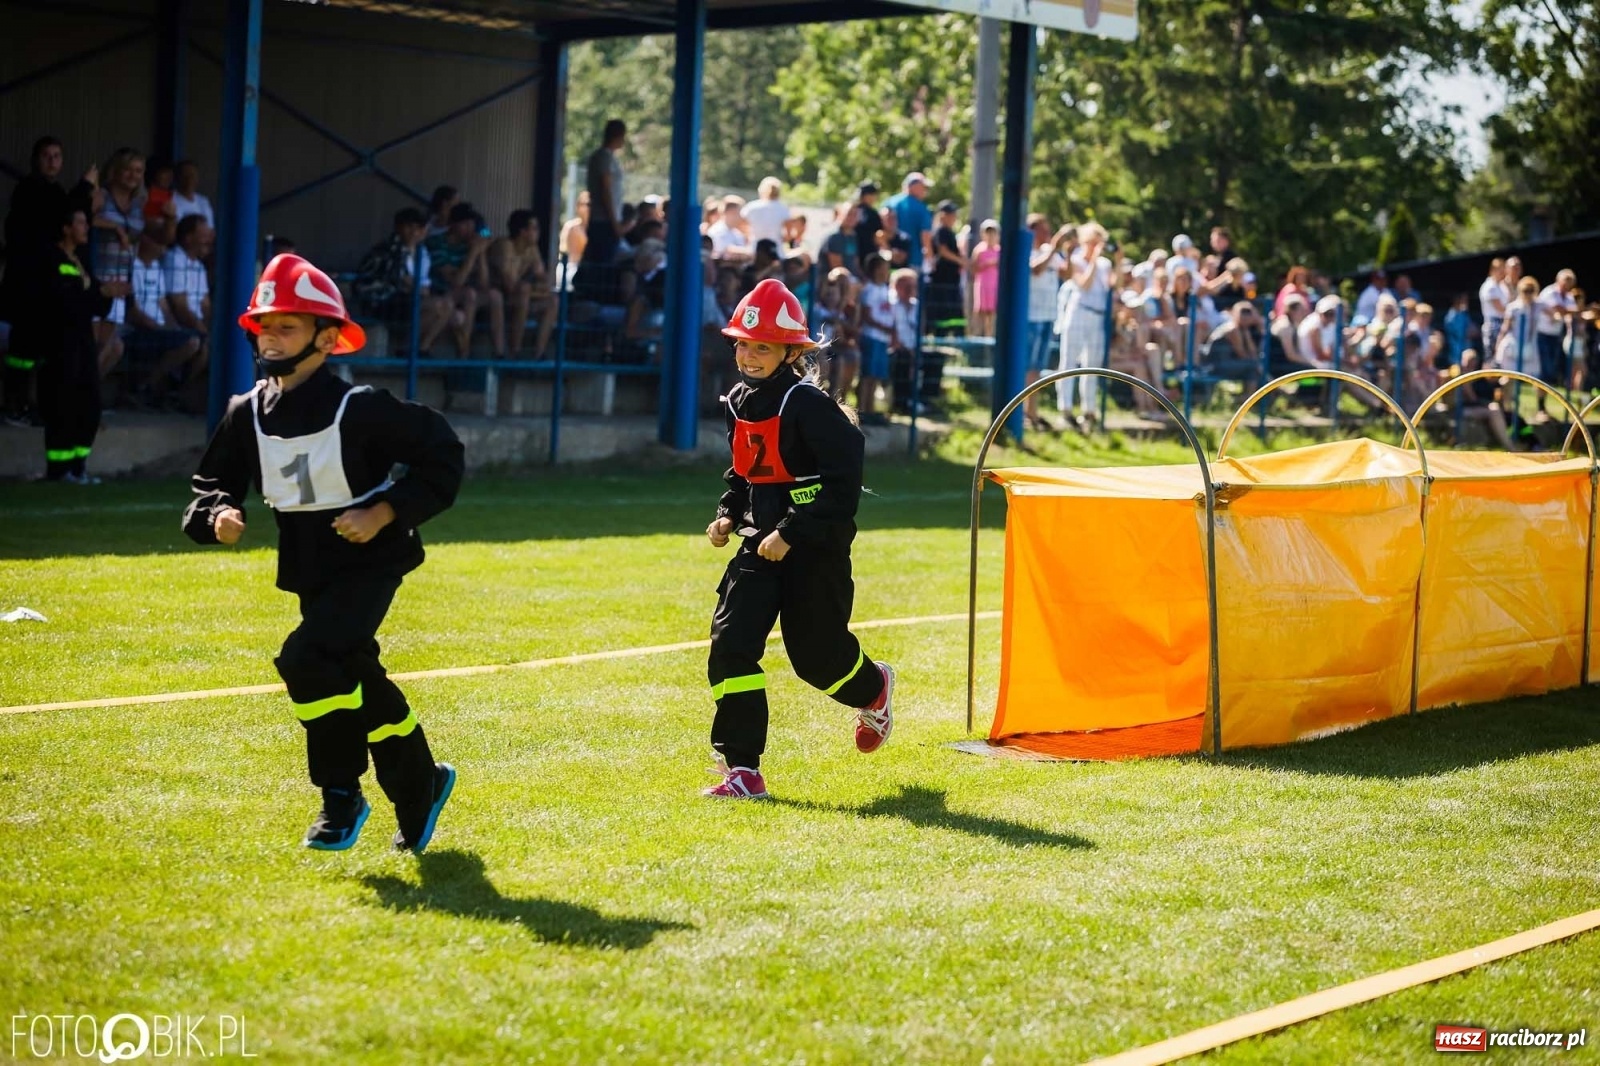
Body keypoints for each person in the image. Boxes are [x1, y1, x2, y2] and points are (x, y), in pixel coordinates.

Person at [182, 254, 463, 852]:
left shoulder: (359, 407)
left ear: (328, 338)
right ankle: (420, 782)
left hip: (372, 560)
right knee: (354, 672)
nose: (271, 337)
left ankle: (340, 797)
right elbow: (212, 484)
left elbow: (443, 453)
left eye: (288, 326)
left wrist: (384, 511)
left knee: (307, 658)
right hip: (310, 569)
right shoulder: (245, 411)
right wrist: (218, 516)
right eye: (265, 325)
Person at [701, 278, 895, 799]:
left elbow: (841, 482)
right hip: (757, 548)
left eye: (762, 346)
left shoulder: (807, 403)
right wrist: (728, 513)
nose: (749, 354)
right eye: (742, 343)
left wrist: (791, 533)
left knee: (816, 659)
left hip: (815, 551)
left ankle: (874, 688)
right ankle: (743, 770)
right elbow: (745, 471)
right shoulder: (739, 400)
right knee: (730, 647)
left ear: (791, 351)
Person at [2, 136, 98, 425]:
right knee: (22, 351)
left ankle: (32, 405)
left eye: (57, 156)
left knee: (39, 351)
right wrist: (84, 188)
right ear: (36, 160)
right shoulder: (28, 190)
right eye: (47, 156)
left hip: (43, 288)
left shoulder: (55, 190)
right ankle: (14, 406)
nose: (52, 161)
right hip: (26, 285)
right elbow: (56, 218)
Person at [36, 207, 128, 482]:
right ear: (65, 228)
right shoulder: (52, 259)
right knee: (62, 404)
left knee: (89, 404)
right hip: (60, 342)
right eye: (80, 223)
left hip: (83, 341)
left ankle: (79, 467)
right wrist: (99, 292)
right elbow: (66, 301)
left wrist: (107, 294)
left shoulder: (80, 261)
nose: (86, 228)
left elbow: (95, 304)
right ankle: (58, 470)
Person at [1056, 222, 1114, 428]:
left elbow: (1114, 286)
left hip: (1098, 316)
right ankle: (1065, 408)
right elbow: (1084, 284)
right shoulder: (1077, 260)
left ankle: (1089, 410)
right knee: (1069, 360)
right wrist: (1094, 261)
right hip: (1078, 312)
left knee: (1093, 364)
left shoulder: (1106, 265)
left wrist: (1120, 258)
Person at [488, 210, 558, 359]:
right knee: (524, 290)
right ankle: (515, 351)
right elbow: (510, 285)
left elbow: (544, 281)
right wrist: (534, 290)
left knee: (553, 301)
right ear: (523, 231)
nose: (538, 232)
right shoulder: (504, 246)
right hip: (495, 298)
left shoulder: (532, 249)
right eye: (534, 228)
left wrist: (537, 289)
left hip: (519, 299)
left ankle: (539, 354)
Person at [856, 254, 894, 423]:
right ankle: (862, 409)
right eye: (884, 267)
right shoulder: (869, 289)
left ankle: (870, 410)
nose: (887, 271)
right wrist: (884, 327)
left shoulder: (886, 289)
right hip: (871, 336)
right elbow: (867, 315)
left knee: (876, 375)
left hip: (882, 339)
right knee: (867, 375)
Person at [967, 219, 1001, 338]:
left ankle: (990, 338)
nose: (990, 235)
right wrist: (987, 264)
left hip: (995, 287)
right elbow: (973, 268)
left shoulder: (999, 250)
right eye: (988, 232)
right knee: (980, 313)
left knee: (992, 315)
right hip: (982, 285)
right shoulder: (979, 250)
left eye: (993, 232)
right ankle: (976, 337)